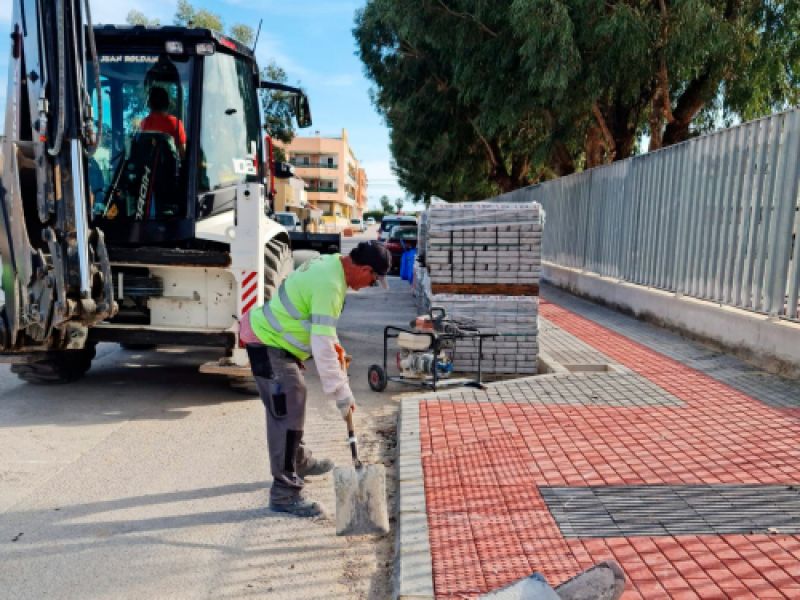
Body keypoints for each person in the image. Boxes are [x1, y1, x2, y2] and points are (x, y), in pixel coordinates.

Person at [239, 241, 392, 517]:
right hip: (268, 344)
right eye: (373, 280)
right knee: (286, 415)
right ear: (366, 269)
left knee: (291, 404)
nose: (370, 285)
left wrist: (338, 348)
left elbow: (321, 328)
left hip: (271, 341)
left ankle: (299, 461)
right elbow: (320, 344)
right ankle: (284, 493)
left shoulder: (332, 264)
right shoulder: (331, 285)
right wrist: (341, 393)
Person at [140, 86, 186, 157]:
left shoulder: (144, 123)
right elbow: (182, 154)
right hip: (169, 167)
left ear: (149, 104)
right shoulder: (175, 123)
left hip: (146, 167)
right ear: (167, 103)